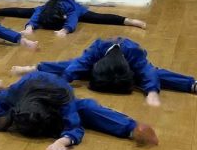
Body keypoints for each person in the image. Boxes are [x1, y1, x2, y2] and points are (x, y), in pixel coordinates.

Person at [0, 71, 158, 150]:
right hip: (26, 91)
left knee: (87, 108)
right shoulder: (15, 94)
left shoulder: (64, 101)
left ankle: (131, 128)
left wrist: (62, 141)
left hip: (56, 95)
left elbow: (74, 126)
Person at [11, 37, 197, 106]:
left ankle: (192, 84)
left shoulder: (133, 53)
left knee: (155, 73)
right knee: (71, 65)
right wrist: (63, 81)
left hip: (128, 67)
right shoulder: (97, 49)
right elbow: (77, 65)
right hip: (100, 65)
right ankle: (35, 67)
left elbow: (147, 71)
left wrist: (152, 92)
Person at [0, 0, 146, 36]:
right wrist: (29, 27)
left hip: (73, 8)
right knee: (22, 12)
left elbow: (72, 21)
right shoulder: (43, 9)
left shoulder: (73, 11)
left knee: (97, 17)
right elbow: (34, 17)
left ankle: (129, 21)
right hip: (52, 9)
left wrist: (65, 30)